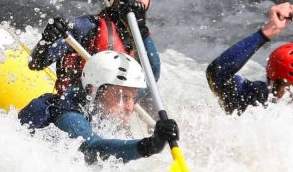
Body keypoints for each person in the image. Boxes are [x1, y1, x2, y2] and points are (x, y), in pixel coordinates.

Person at [28, 0, 161, 110]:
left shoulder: (140, 39)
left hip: (113, 110)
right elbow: (36, 63)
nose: (141, 3)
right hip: (77, 106)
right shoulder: (88, 26)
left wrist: (142, 31)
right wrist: (47, 40)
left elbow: (151, 77)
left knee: (152, 103)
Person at [19, 51, 179, 164]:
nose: (129, 107)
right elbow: (92, 149)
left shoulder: (102, 106)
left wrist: (142, 29)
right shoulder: (69, 114)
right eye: (122, 97)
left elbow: (153, 73)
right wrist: (149, 145)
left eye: (133, 97)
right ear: (92, 90)